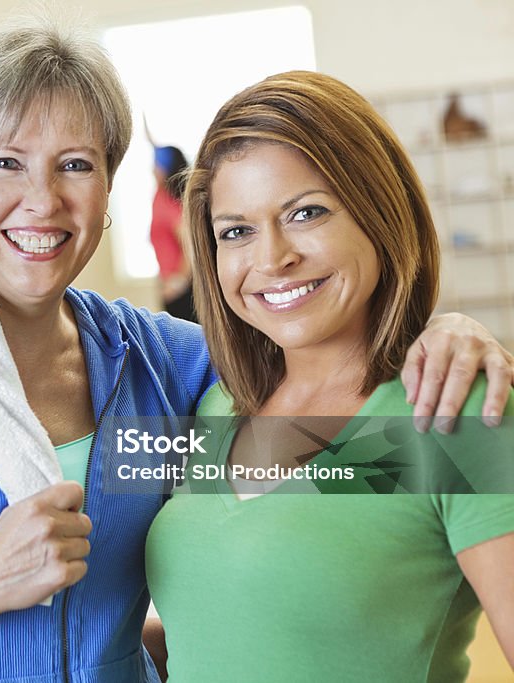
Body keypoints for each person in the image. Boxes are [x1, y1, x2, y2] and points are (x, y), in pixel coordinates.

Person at [0, 18, 514, 683]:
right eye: (5, 162)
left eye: (75, 165)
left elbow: (356, 451)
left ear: (110, 182)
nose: (41, 201)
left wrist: (444, 336)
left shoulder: (167, 369)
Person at [146, 71, 514, 681]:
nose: (271, 259)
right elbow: (230, 623)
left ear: (378, 212)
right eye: (236, 231)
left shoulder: (452, 410)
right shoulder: (213, 409)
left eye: (306, 213)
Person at [144, 118, 195, 322]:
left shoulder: (172, 202)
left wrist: (179, 281)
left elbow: (190, 245)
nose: (151, 169)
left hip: (184, 291)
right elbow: (154, 146)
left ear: (164, 169)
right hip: (169, 284)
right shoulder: (159, 195)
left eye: (156, 165)